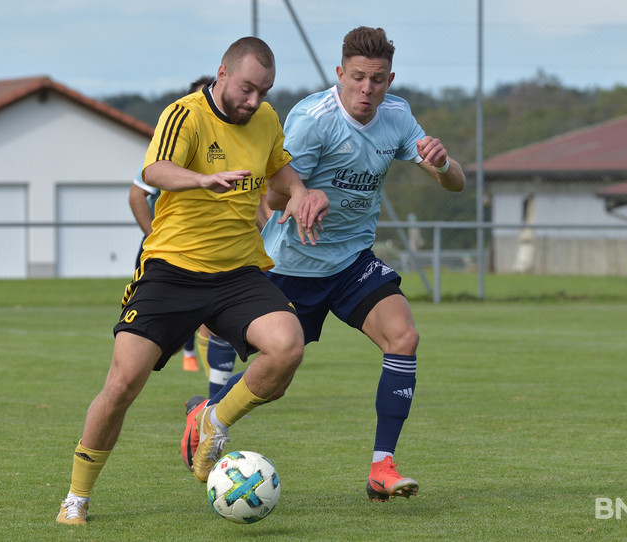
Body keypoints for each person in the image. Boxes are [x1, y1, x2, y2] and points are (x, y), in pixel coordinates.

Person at [56, 36, 328, 525]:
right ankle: (77, 497)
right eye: (247, 88)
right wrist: (199, 179)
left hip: (239, 272)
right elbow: (153, 169)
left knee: (287, 347)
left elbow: (279, 171)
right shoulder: (185, 114)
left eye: (263, 91)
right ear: (222, 72)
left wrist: (303, 192)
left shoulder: (266, 119)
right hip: (172, 271)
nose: (254, 101)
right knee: (122, 385)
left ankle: (213, 420)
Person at [188, 26, 466, 503]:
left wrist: (442, 165)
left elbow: (456, 184)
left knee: (404, 336)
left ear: (390, 79)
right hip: (290, 265)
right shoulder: (312, 120)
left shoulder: (397, 116)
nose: (367, 89)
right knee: (274, 382)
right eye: (357, 77)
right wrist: (301, 196)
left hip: (352, 261)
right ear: (340, 73)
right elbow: (273, 190)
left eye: (377, 80)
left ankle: (382, 467)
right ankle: (209, 414)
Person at [127, 76, 215, 372]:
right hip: (165, 248)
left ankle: (212, 391)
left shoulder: (226, 144)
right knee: (158, 331)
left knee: (213, 317)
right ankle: (180, 351)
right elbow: (138, 194)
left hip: (208, 246)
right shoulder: (173, 142)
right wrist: (154, 235)